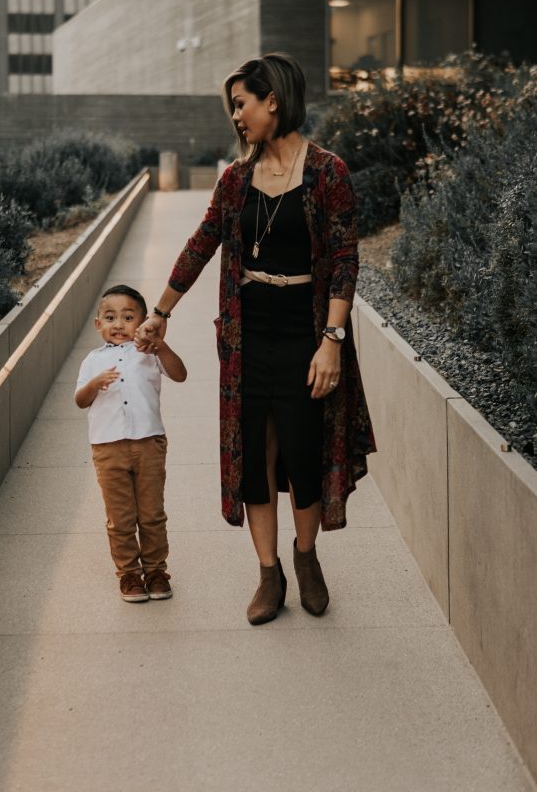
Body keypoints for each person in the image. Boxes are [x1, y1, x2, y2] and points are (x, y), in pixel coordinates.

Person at [136, 52, 376, 625]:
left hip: (305, 328)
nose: (236, 116)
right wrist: (161, 311)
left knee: (304, 448)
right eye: (233, 107)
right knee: (256, 460)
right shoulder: (236, 179)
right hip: (248, 337)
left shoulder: (327, 172)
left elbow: (345, 259)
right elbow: (202, 243)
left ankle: (306, 556)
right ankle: (269, 574)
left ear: (274, 99)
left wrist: (332, 339)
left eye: (242, 104)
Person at [75, 284, 187, 603]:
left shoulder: (149, 355)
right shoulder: (92, 361)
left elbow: (180, 374)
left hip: (149, 443)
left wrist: (161, 346)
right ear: (98, 324)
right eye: (110, 317)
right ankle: (128, 574)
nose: (119, 324)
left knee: (151, 513)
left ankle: (155, 570)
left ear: (142, 322)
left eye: (128, 317)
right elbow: (80, 400)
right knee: (121, 517)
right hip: (107, 448)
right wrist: (95, 384)